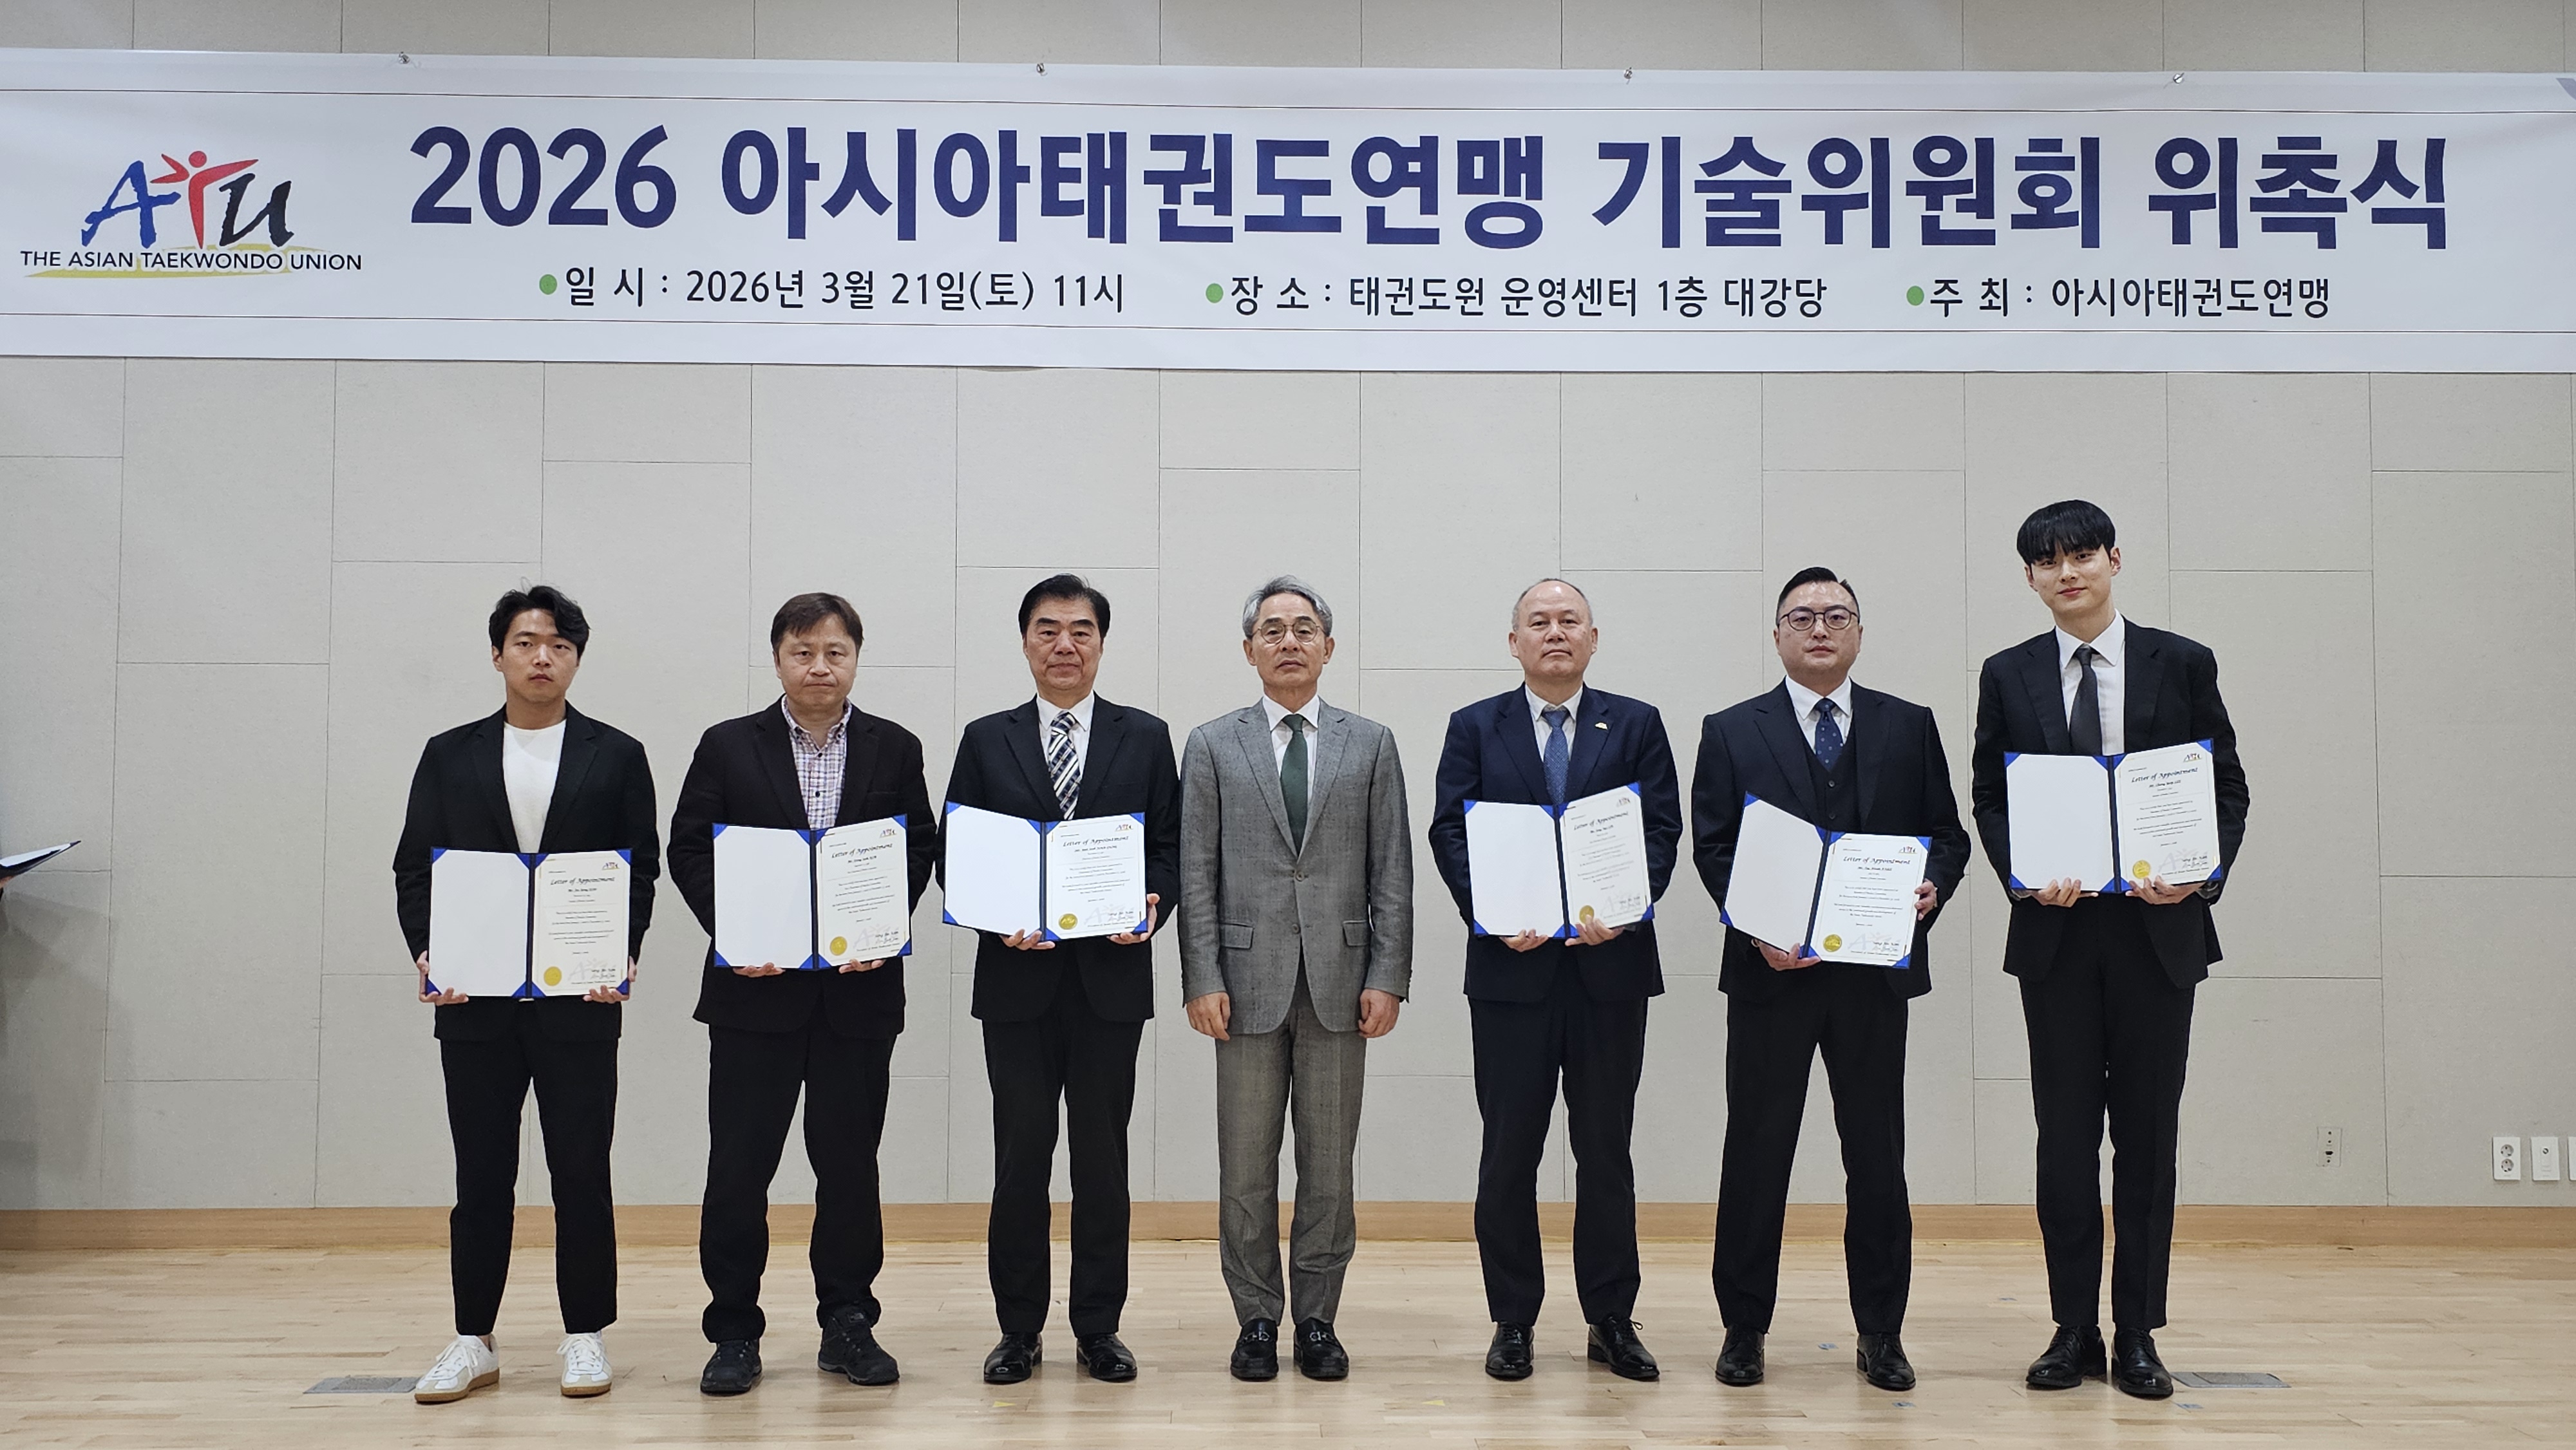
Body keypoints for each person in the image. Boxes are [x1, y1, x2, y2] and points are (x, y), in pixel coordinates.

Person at [1970, 501, 2248, 1400]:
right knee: (2062, 1142)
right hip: (2057, 933)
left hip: (2157, 933)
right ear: (2030, 578)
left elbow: (2225, 786)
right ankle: (2071, 1327)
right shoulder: (2008, 673)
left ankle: (2137, 1332)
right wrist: (2024, 875)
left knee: (2147, 1139)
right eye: (2047, 562)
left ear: (2114, 560)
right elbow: (1991, 795)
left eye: (2082, 555)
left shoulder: (2183, 661)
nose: (2068, 573)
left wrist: (2198, 874)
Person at [1689, 568, 1971, 1392]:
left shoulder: (1908, 724)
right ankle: (1744, 1327)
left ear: (1858, 631)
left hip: (1871, 978)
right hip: (1770, 975)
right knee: (1756, 1154)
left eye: (1836, 615)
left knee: (1877, 1157)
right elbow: (1712, 845)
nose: (1820, 627)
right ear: (1777, 632)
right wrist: (1757, 928)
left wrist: (1932, 886)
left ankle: (1881, 1330)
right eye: (1802, 616)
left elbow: (1946, 835)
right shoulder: (1730, 729)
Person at [392, 585, 658, 1404]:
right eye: (525, 641)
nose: (542, 656)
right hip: (475, 1001)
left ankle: (585, 1331)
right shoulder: (450, 753)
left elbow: (638, 869)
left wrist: (620, 952)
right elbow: (414, 866)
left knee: (582, 1168)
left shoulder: (617, 753)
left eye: (559, 645)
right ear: (498, 653)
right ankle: (473, 1335)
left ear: (577, 658)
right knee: (481, 1174)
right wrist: (429, 952)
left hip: (580, 1000)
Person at [667, 592, 938, 1397]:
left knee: (849, 1167)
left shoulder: (895, 746)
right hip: (754, 993)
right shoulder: (727, 745)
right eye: (802, 651)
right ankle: (733, 1329)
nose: (819, 666)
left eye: (834, 651)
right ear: (779, 658)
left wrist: (881, 925)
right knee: (738, 1168)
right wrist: (737, 930)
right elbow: (689, 847)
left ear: (855, 658)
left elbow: (915, 846)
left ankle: (847, 1321)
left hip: (858, 995)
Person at [1426, 578, 1682, 1383]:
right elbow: (1450, 831)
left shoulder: (1635, 723)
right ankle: (1512, 1318)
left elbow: (1661, 829)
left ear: (1593, 638)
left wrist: (1625, 907)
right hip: (1512, 971)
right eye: (1538, 621)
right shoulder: (1475, 726)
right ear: (1515, 643)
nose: (1555, 632)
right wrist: (1493, 910)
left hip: (1610, 968)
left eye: (1570, 620)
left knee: (1605, 1149)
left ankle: (1611, 1316)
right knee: (1509, 1152)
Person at [942, 574, 1181, 1385]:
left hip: (1111, 980)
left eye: (1081, 630)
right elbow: (957, 854)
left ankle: (1098, 1326)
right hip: (1017, 981)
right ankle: (1018, 1329)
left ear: (1101, 643)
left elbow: (1169, 847)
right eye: (1048, 629)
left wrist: (1152, 903)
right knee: (1020, 1159)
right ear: (1025, 642)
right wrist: (993, 918)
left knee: (1102, 1161)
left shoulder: (1144, 736)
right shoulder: (986, 739)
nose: (1065, 644)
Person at [1178, 577, 1413, 1383]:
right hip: (1241, 984)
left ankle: (1317, 1317)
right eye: (1272, 630)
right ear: (1249, 650)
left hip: (1342, 984)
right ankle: (1255, 1316)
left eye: (1304, 628)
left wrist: (1388, 974)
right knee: (1245, 1166)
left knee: (1329, 1164)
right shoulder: (1212, 744)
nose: (1289, 641)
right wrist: (1200, 974)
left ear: (1328, 647)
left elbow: (1392, 869)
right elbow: (1196, 872)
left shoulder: (1371, 743)